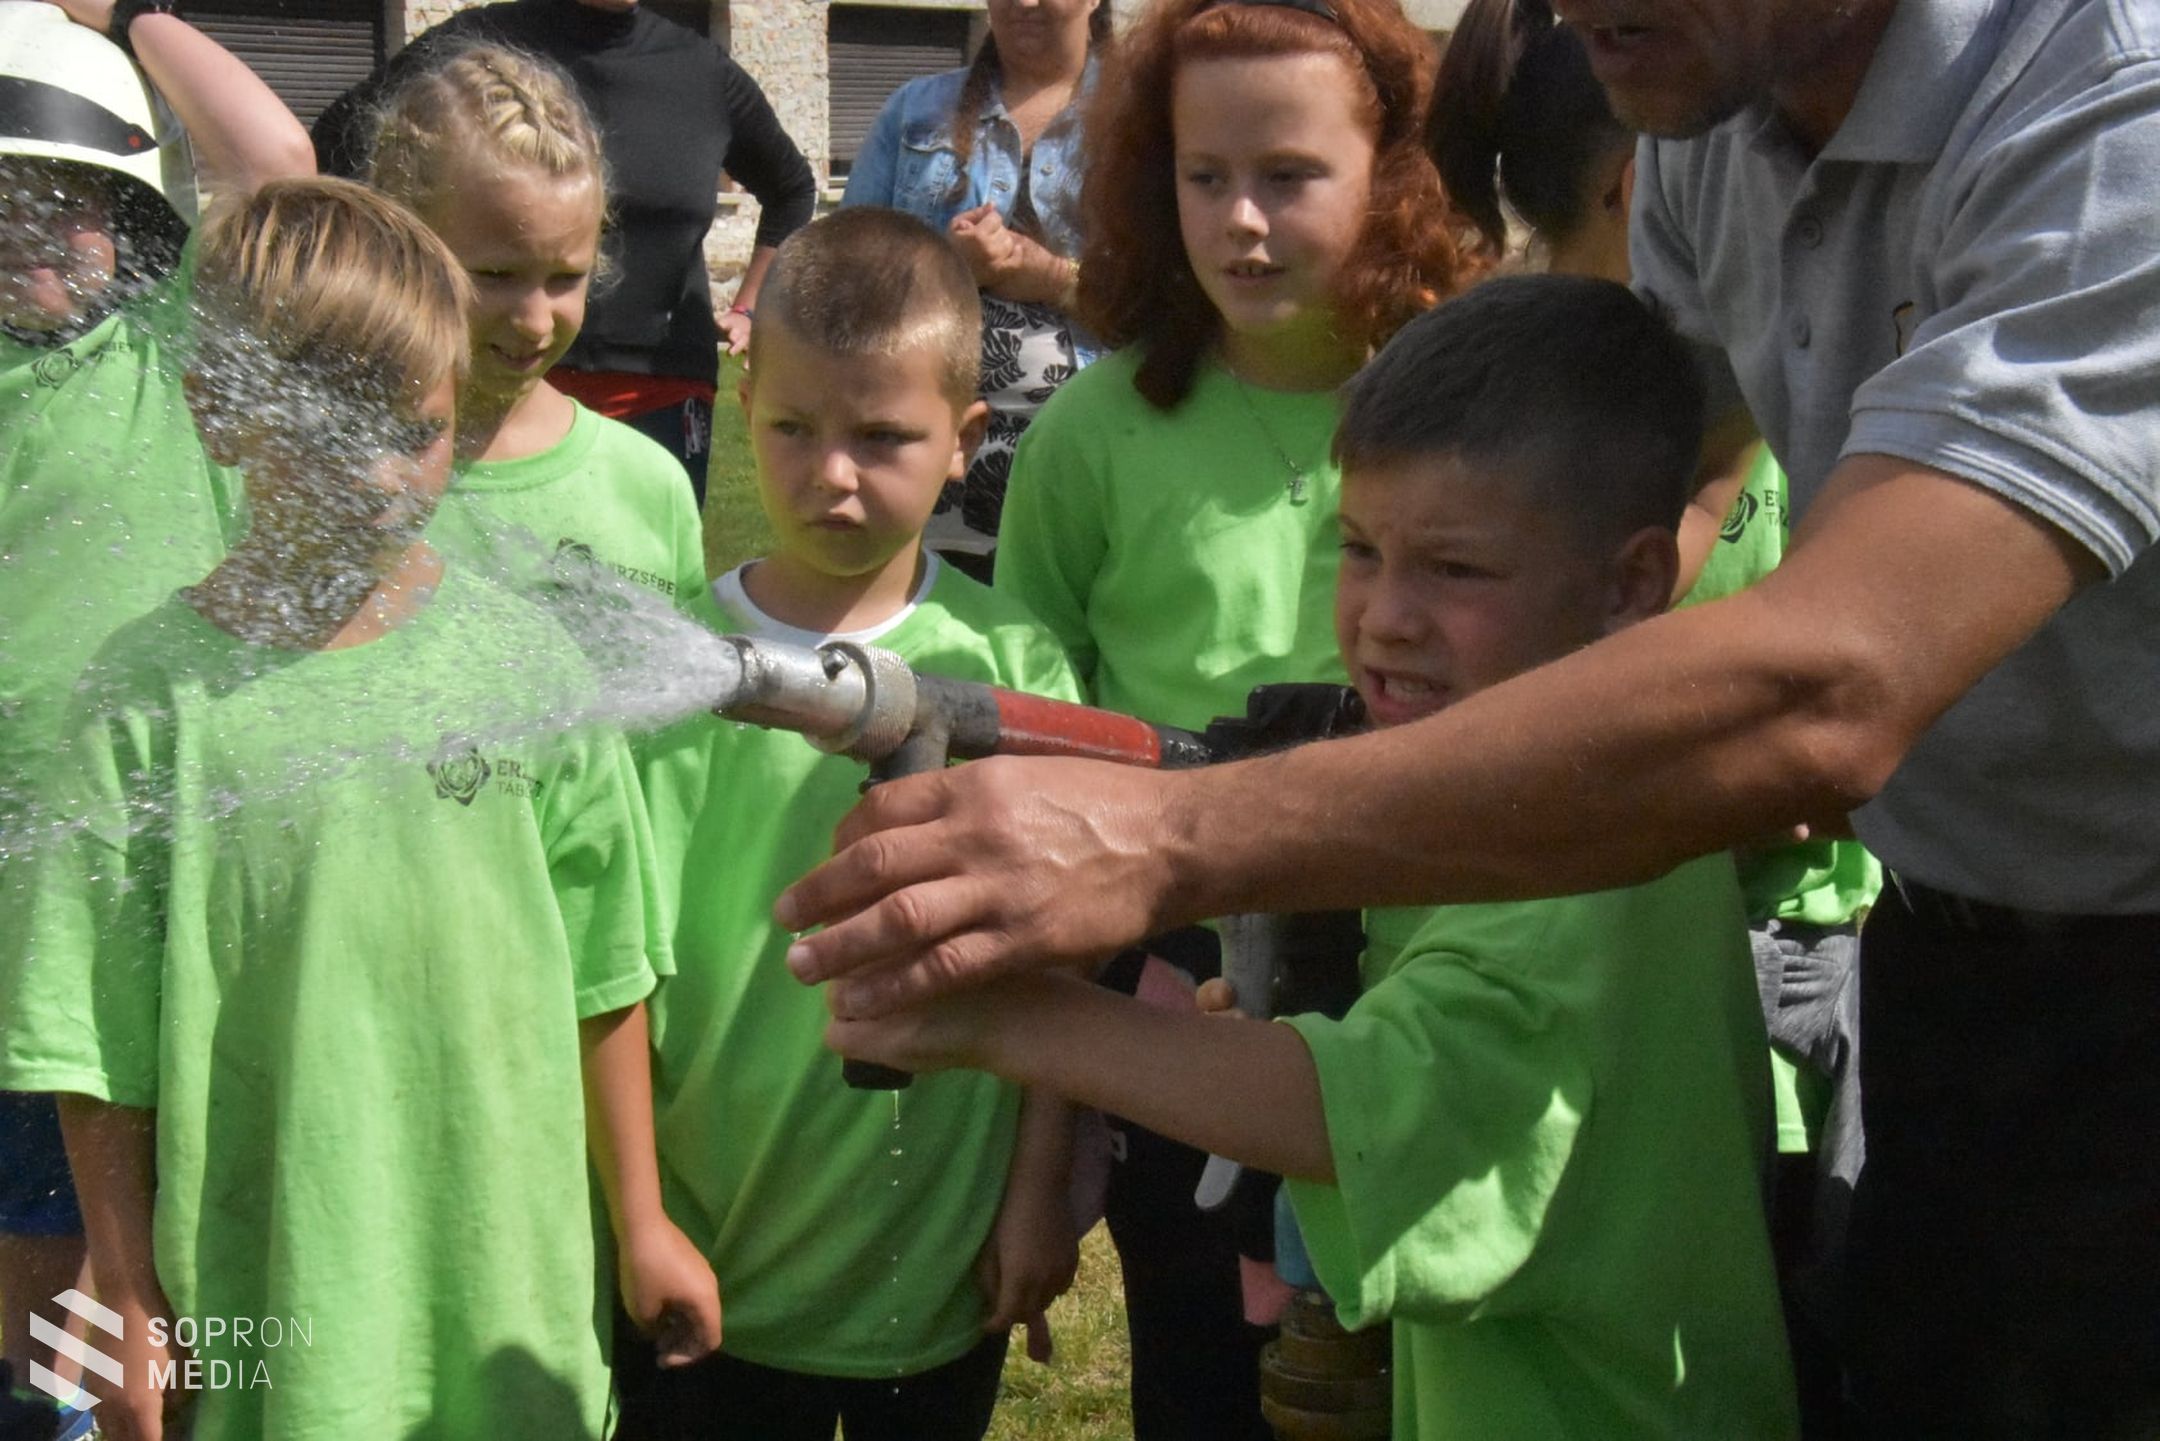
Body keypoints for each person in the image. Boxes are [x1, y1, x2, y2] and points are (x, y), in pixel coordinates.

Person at [779, 0, 2160, 1432]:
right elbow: (1621, 465)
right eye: (1361, 554)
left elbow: (1827, 683)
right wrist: (1468, 725)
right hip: (1953, 954)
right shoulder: (1711, 103)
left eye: (1438, 569)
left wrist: (1159, 857)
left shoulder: (2114, 111)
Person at [831, 276, 1801, 1439]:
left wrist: (1005, 1018)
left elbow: (1362, 1110)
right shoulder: (1597, 803)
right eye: (1361, 547)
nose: (1385, 615)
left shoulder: (1579, 878)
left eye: (1457, 569)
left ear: (1631, 584)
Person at [0, 177, 719, 1441]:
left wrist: (645, 1219)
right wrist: (121, 1284)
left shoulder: (526, 670)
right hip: (269, 1307)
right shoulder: (143, 704)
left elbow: (607, 975)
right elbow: (94, 1045)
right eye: (336, 431)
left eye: (420, 427)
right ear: (221, 409)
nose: (385, 473)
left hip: (508, 1300)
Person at [986, 0, 1473, 1431]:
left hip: (1427, 941)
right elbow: (1035, 708)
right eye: (1207, 177)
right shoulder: (1098, 428)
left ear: (1389, 176)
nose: (1243, 222)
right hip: (1182, 974)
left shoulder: (1460, 405)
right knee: (1204, 1357)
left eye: (1290, 175)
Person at [1429, 2, 1877, 1427]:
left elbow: (1848, 679)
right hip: (1841, 955)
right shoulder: (1703, 173)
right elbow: (1650, 537)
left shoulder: (2098, 97)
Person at [620, 207, 1081, 1441]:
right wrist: (634, 1215)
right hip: (711, 1261)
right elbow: (603, 967)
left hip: (924, 1269)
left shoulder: (1014, 664)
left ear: (965, 443)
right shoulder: (673, 668)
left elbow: (1057, 969)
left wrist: (1039, 1197)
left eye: (883, 437)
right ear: (743, 402)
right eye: (794, 428)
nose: (834, 474)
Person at [0, 3, 310, 1435]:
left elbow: (277, 164)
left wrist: (124, 20)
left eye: (76, 208)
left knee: (101, 1269)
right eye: (9, 206)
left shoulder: (169, 351)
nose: (41, 240)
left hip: (129, 908)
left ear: (134, 220)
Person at [312, 0, 818, 495]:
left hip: (658, 388)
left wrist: (750, 306)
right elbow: (338, 143)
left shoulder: (702, 72)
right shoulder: (477, 44)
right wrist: (384, 289)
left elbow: (791, 189)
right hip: (483, 374)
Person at [366, 43, 706, 613]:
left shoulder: (650, 484)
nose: (535, 322)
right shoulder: (341, 472)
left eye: (565, 279)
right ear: (399, 245)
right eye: (496, 274)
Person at [841, 0, 1111, 575]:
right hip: (925, 462)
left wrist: (1056, 279)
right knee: (929, 648)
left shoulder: (1143, 114)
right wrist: (948, 266)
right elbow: (845, 279)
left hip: (1091, 464)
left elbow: (1182, 303)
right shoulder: (916, 111)